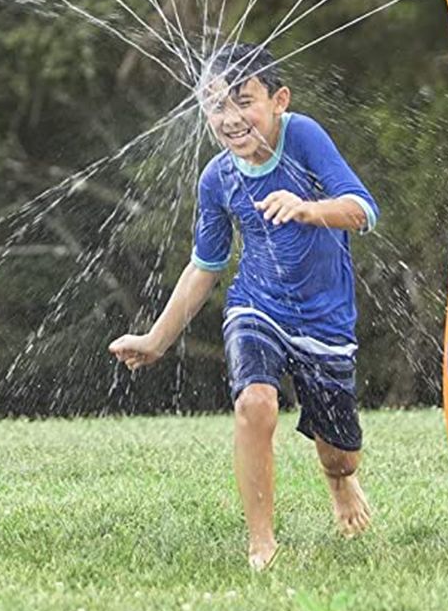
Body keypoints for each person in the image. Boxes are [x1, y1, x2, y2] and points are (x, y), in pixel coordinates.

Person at [109, 42, 378, 571]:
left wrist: (308, 209)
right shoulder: (217, 179)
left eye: (243, 101)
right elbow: (204, 267)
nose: (229, 118)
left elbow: (363, 210)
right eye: (215, 106)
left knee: (339, 454)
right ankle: (261, 543)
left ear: (279, 99)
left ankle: (340, 482)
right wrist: (155, 339)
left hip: (325, 317)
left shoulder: (302, 137)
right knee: (255, 402)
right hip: (257, 305)